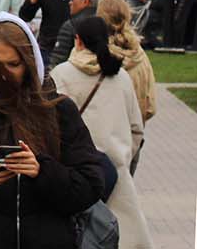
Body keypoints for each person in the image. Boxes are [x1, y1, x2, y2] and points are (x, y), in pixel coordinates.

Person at [0, 13, 104, 249]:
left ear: (29, 61)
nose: (4, 75)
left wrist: (42, 170)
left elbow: (90, 186)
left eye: (13, 64)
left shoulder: (59, 110)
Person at [51, 15, 153, 248]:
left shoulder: (62, 74)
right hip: (117, 175)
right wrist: (123, 157)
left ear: (77, 41)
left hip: (76, 176)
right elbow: (137, 128)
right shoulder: (121, 76)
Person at [98, 0, 156, 125]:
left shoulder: (92, 57)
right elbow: (150, 107)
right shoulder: (141, 58)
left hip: (100, 133)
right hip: (132, 134)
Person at [48, 0, 102, 67]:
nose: (70, 2)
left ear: (85, 1)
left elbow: (57, 60)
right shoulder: (106, 24)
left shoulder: (71, 26)